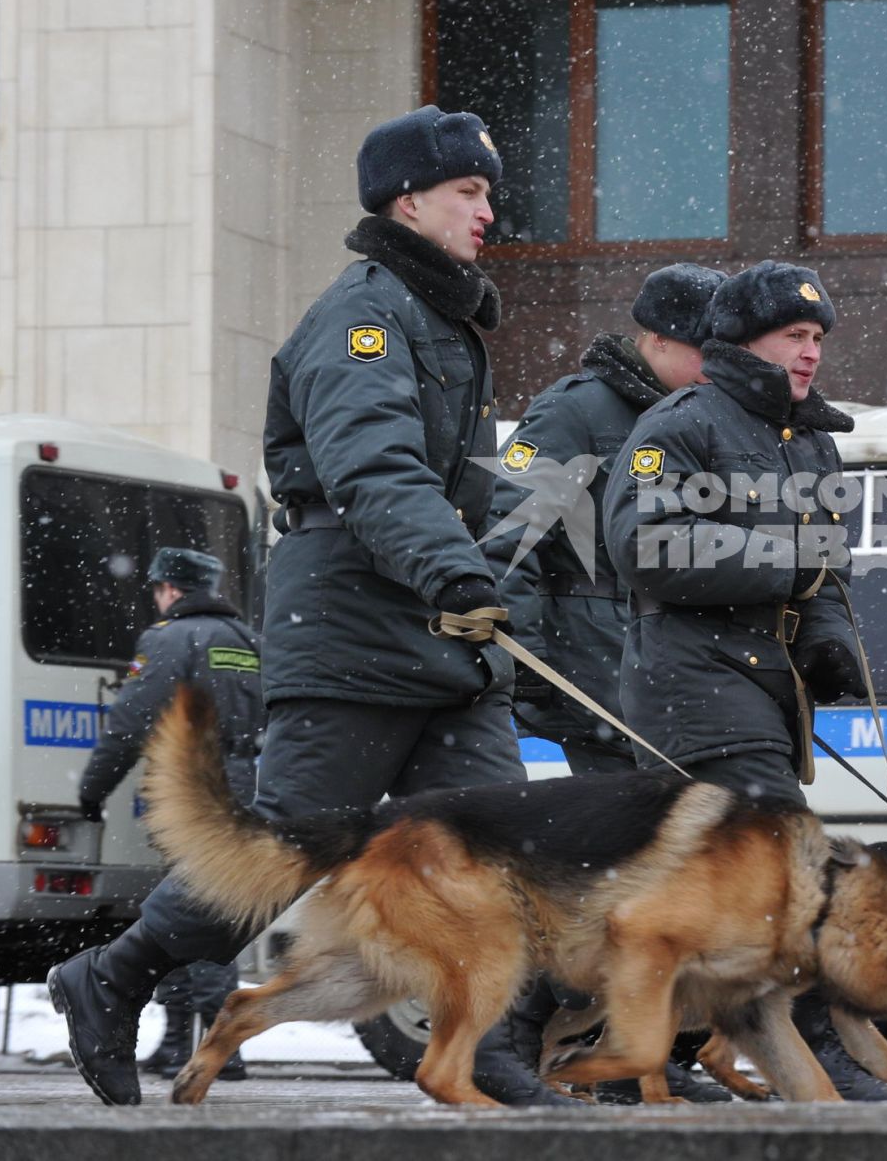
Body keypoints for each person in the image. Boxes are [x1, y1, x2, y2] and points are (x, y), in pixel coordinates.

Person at [49, 105, 571, 1108]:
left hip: (442, 639)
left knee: (499, 845)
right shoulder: (363, 316)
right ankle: (108, 977)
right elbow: (372, 471)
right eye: (470, 191)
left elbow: (466, 484)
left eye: (489, 192)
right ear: (407, 199)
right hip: (352, 627)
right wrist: (455, 573)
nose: (488, 212)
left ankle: (493, 1044)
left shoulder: (445, 326)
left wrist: (540, 569)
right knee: (283, 851)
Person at [601, 260, 887, 1101]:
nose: (809, 354)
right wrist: (786, 561)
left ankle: (619, 1056)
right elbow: (645, 546)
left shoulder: (809, 439)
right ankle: (823, 1056)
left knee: (694, 896)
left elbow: (828, 570)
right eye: (792, 337)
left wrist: (833, 642)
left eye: (816, 339)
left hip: (764, 688)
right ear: (741, 341)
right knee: (787, 868)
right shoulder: (682, 424)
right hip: (691, 684)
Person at [482, 263, 733, 1106]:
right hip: (598, 686)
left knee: (671, 884)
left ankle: (640, 1058)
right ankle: (528, 1040)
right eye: (704, 351)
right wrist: (540, 674)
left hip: (666, 685)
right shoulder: (576, 414)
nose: (717, 366)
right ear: (654, 339)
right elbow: (510, 548)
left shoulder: (697, 420)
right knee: (618, 883)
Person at [76, 547, 262, 1083]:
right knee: (211, 904)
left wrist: (93, 790)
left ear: (169, 589)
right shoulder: (251, 642)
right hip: (247, 784)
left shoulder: (168, 639)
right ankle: (181, 1039)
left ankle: (215, 1044)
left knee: (195, 908)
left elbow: (130, 723)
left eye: (157, 589)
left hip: (194, 785)